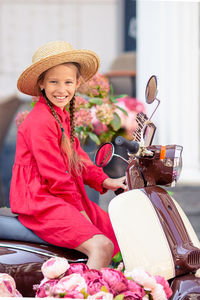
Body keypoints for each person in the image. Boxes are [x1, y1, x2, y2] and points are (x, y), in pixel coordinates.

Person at [10, 41, 127, 270]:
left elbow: (79, 159)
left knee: (118, 234)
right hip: (40, 199)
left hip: (60, 195)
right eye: (53, 82)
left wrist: (106, 181)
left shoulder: (60, 115)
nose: (61, 89)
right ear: (42, 83)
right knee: (101, 246)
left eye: (68, 82)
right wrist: (79, 211)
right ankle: (83, 292)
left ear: (77, 83)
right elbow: (54, 174)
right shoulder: (40, 121)